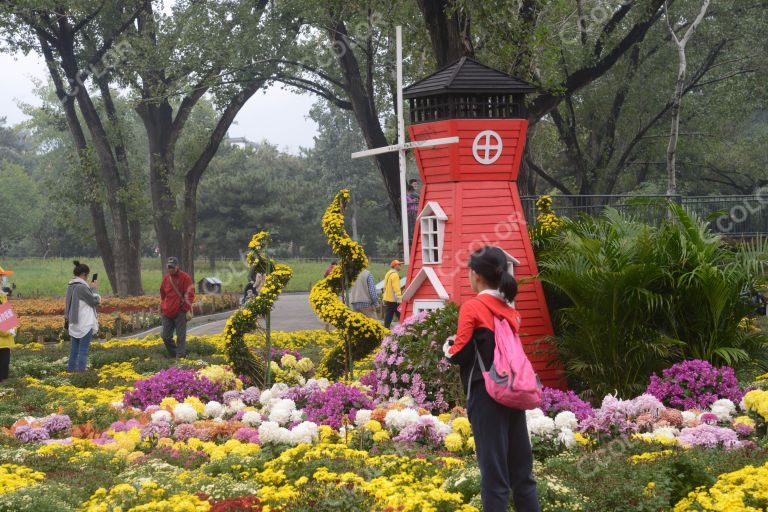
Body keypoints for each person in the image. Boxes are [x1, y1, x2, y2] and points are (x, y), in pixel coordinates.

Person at [443, 246, 540, 512]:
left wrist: (446, 347)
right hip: (514, 392)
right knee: (522, 476)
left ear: (474, 274)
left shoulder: (473, 306)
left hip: (486, 397)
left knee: (494, 478)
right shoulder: (507, 309)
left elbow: (460, 353)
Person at [65, 261, 100, 372]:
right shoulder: (81, 287)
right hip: (84, 323)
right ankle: (81, 374)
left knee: (74, 351)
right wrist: (94, 288)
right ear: (84, 274)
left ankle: (71, 372)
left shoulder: (71, 285)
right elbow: (94, 301)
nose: (87, 278)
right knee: (83, 351)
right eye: (87, 275)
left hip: (73, 322)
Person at [160, 257, 195, 359]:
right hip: (167, 312)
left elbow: (190, 294)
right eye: (169, 267)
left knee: (181, 336)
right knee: (165, 336)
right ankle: (175, 353)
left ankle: (180, 357)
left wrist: (184, 308)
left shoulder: (185, 278)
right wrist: (163, 306)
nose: (170, 269)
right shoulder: (166, 279)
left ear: (177, 267)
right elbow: (162, 293)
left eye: (172, 267)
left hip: (180, 311)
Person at [0, 285, 15, 382]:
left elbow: (9, 318)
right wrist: (8, 331)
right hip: (3, 340)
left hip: (4, 343)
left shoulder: (3, 298)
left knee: (4, 372)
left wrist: (13, 329)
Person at [382, 260, 403, 328]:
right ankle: (405, 328)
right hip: (394, 299)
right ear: (395, 266)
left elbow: (385, 286)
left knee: (389, 314)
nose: (400, 266)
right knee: (400, 315)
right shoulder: (395, 275)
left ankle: (386, 328)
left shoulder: (388, 274)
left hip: (387, 298)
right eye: (399, 265)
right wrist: (399, 298)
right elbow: (396, 288)